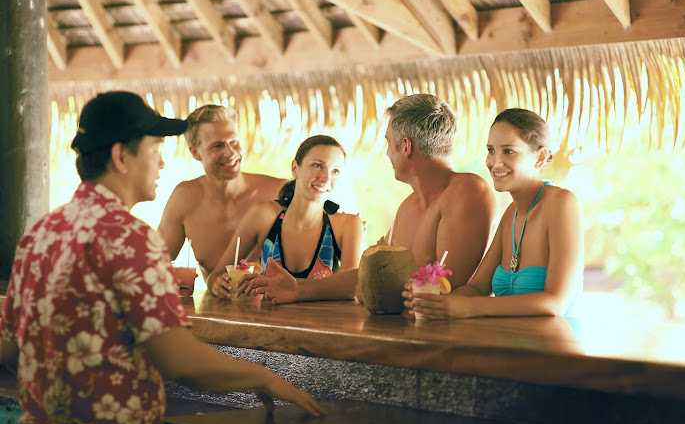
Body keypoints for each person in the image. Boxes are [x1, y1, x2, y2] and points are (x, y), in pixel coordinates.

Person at [0, 92, 324, 424]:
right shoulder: (130, 238)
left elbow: (10, 347)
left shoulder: (42, 232)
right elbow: (180, 361)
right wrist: (264, 376)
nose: (162, 164)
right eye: (155, 150)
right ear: (121, 157)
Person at [245, 94, 497, 303]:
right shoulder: (408, 207)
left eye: (388, 142)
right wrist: (299, 289)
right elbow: (370, 275)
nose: (387, 152)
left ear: (406, 146)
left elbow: (446, 287)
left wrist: (374, 289)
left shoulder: (467, 190)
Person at [403, 108, 584, 319]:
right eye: (491, 150)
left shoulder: (561, 204)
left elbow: (555, 303)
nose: (495, 162)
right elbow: (477, 289)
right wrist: (434, 301)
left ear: (540, 157)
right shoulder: (512, 213)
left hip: (554, 348)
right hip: (505, 345)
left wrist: (467, 308)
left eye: (508, 151)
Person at [207, 135, 365, 298]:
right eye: (317, 166)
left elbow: (351, 288)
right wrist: (218, 286)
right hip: (268, 321)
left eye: (335, 171)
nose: (325, 178)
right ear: (295, 168)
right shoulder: (262, 215)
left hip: (322, 323)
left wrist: (295, 288)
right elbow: (214, 277)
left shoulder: (349, 225)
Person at [158, 104, 285, 278]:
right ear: (195, 153)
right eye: (217, 146)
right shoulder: (184, 198)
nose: (230, 152)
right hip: (216, 305)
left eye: (234, 142)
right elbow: (155, 266)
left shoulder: (277, 193)